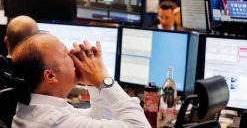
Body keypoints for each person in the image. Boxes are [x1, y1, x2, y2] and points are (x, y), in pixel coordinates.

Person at [11, 33, 151, 128]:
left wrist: (94, 83)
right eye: (65, 54)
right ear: (50, 76)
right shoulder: (53, 121)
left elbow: (101, 120)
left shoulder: (39, 107)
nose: (73, 56)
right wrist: (104, 80)